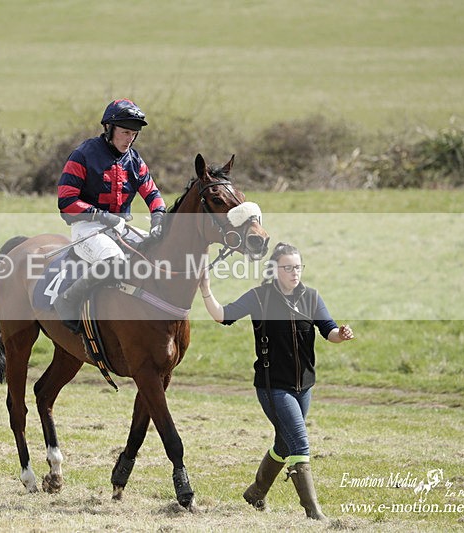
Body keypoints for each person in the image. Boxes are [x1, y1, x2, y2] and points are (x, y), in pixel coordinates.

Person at [199, 242, 354, 520]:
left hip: (304, 386)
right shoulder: (260, 298)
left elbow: (328, 330)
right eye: (288, 267)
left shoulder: (311, 297)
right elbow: (223, 316)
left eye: (298, 267)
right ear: (274, 269)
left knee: (284, 443)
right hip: (273, 388)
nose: (295, 272)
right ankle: (313, 513)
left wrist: (340, 335)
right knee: (300, 443)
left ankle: (256, 493)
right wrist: (206, 290)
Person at [54, 99, 166, 333]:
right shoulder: (83, 155)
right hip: (86, 227)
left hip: (120, 228)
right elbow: (66, 201)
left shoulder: (134, 160)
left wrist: (158, 219)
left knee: (157, 253)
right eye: (125, 132)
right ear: (109, 128)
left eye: (133, 134)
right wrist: (102, 216)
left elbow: (153, 193)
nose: (129, 139)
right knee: (114, 261)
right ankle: (67, 300)